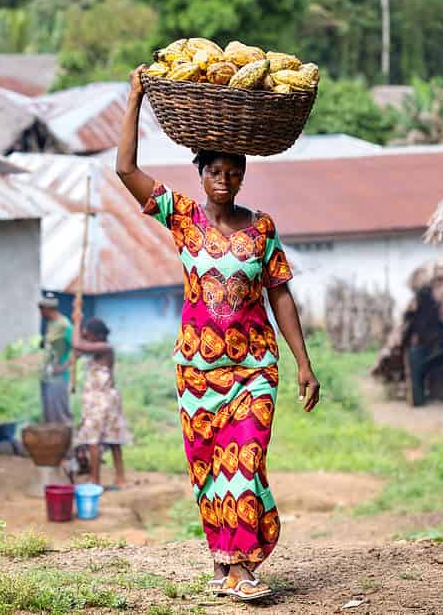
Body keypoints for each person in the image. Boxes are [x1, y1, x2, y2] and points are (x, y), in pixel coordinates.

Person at [113, 66, 321, 602]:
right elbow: (124, 167)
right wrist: (135, 97)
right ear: (200, 175)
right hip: (198, 372)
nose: (224, 179)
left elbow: (279, 294)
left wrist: (304, 363)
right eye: (215, 171)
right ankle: (223, 563)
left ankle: (245, 569)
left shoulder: (263, 229)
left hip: (254, 367)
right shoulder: (181, 217)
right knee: (209, 467)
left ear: (243, 176)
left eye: (233, 171)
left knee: (245, 461)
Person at [70, 317, 132, 489]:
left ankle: (95, 480)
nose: (85, 338)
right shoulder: (96, 350)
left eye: (87, 335)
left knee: (95, 440)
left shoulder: (106, 348)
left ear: (97, 335)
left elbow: (77, 345)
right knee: (111, 439)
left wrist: (76, 323)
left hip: (102, 400)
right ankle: (119, 478)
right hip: (102, 400)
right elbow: (77, 348)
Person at [39, 298, 74, 424]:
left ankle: (67, 441)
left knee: (60, 415)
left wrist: (63, 367)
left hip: (58, 377)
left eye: (41, 310)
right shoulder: (50, 323)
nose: (40, 314)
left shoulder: (65, 325)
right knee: (49, 415)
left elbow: (77, 349)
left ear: (48, 309)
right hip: (46, 376)